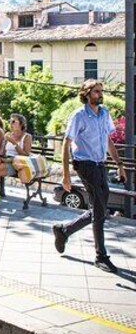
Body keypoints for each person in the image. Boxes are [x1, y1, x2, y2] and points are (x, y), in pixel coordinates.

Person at [52, 80, 126, 273]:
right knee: (100, 212)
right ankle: (101, 256)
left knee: (100, 210)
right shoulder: (79, 116)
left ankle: (64, 230)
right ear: (86, 94)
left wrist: (119, 165)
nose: (100, 94)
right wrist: (66, 175)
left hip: (100, 166)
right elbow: (66, 144)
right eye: (96, 91)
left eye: (101, 91)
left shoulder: (104, 114)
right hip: (85, 166)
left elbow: (109, 141)